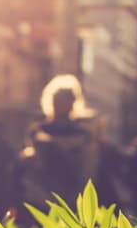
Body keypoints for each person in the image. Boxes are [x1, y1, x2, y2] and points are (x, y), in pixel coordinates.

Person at [19, 75, 98, 213]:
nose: (62, 106)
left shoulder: (83, 133)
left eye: (66, 102)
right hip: (40, 198)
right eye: (59, 101)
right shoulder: (38, 130)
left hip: (73, 197)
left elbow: (89, 168)